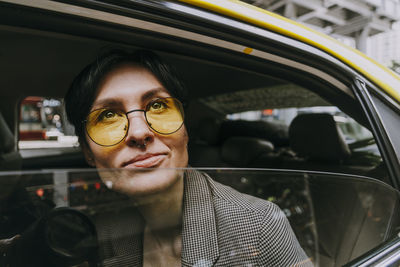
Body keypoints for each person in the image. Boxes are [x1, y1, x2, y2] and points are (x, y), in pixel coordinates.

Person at [64, 50, 313, 266]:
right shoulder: (106, 228)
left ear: (185, 130)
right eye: (107, 116)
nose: (139, 132)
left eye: (158, 106)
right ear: (87, 151)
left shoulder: (259, 224)